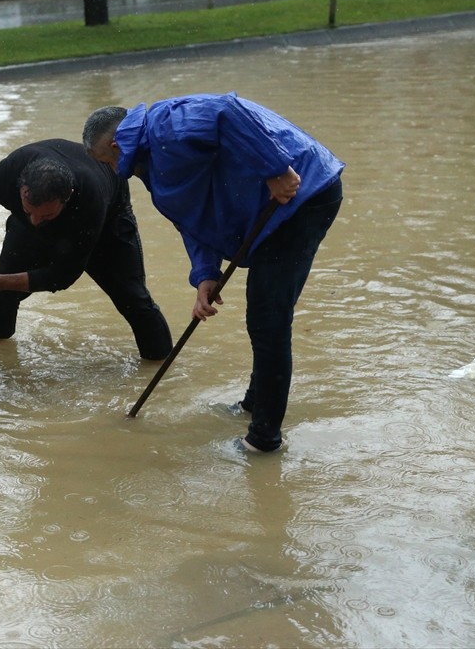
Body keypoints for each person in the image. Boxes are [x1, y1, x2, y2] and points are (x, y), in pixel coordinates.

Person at [82, 93, 344, 453]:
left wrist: (276, 169)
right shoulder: (152, 167)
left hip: (303, 194)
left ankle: (263, 440)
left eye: (107, 162)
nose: (113, 171)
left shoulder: (165, 124)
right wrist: (205, 274)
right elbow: (191, 216)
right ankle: (254, 403)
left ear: (115, 144)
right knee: (264, 316)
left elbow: (227, 111)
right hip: (273, 214)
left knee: (268, 318)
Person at [0, 139, 173, 360]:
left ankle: (161, 372)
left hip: (108, 219)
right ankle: (0, 361)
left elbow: (63, 276)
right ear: (20, 188)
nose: (36, 221)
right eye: (29, 211)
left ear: (67, 197)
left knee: (134, 300)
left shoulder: (89, 197)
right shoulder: (9, 172)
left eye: (46, 215)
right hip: (33, 216)